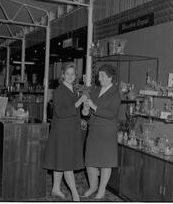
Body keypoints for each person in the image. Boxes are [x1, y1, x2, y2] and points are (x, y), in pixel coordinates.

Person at [43, 62, 86, 201]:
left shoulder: (74, 90)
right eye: (67, 73)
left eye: (72, 74)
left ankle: (55, 188)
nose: (70, 76)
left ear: (75, 76)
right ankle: (75, 194)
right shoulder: (59, 90)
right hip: (62, 131)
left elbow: (75, 111)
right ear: (62, 75)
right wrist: (79, 103)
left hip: (71, 130)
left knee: (60, 160)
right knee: (67, 163)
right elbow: (61, 112)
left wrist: (84, 112)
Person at [83, 64, 121, 199]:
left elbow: (112, 113)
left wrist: (94, 107)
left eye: (102, 76)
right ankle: (93, 187)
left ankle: (101, 189)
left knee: (106, 162)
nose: (99, 79)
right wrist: (86, 111)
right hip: (93, 130)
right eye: (99, 76)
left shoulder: (115, 93)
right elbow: (87, 112)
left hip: (107, 131)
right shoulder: (95, 91)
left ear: (110, 78)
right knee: (90, 161)